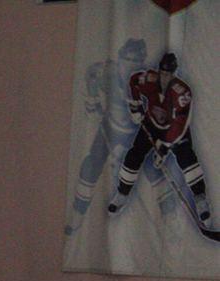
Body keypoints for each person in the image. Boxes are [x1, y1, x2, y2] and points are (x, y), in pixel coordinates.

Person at [64, 39, 176, 235]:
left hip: (139, 130)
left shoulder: (149, 80)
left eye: (136, 61)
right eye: (127, 60)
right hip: (110, 127)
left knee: (154, 170)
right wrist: (93, 105)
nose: (131, 66)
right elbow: (91, 76)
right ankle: (77, 214)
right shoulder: (104, 73)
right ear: (120, 58)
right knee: (90, 166)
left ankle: (170, 220)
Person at [108, 52, 212, 224]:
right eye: (162, 73)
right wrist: (135, 105)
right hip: (152, 124)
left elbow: (180, 124)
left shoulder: (182, 92)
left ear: (174, 74)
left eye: (168, 74)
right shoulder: (149, 79)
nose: (164, 78)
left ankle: (200, 198)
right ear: (159, 71)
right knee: (134, 155)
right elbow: (133, 80)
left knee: (188, 159)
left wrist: (164, 147)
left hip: (175, 130)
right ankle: (122, 193)